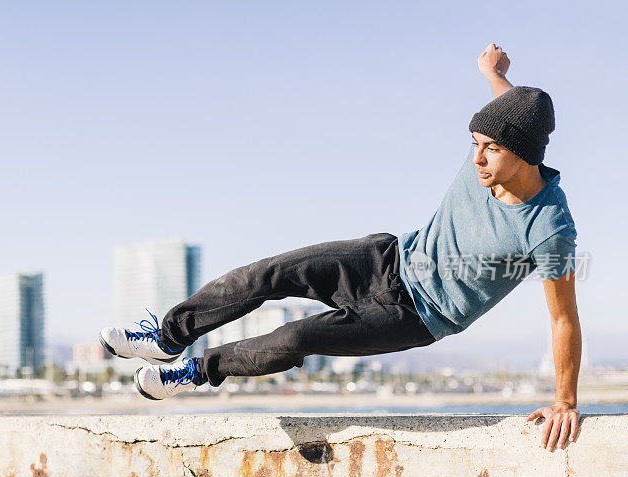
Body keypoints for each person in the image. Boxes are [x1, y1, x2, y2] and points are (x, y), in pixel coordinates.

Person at [99, 43, 582, 451]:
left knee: (296, 339)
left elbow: (563, 318)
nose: (476, 158)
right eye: (474, 143)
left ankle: (194, 374)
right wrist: (493, 74)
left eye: (491, 149)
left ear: (524, 153)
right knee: (267, 273)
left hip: (415, 318)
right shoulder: (502, 136)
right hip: (386, 258)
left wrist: (564, 400)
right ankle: (167, 338)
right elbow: (512, 109)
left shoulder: (549, 228)